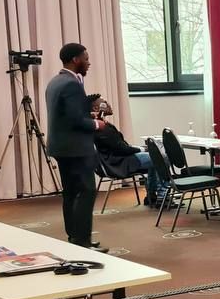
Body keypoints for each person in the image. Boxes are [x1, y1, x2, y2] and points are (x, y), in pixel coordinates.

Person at [45, 43, 105, 251]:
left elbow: (66, 115)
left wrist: (86, 116)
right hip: (76, 148)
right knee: (86, 191)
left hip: (62, 147)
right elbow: (74, 121)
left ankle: (74, 237)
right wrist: (97, 123)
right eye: (86, 59)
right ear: (75, 60)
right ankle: (83, 241)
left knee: (70, 192)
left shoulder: (56, 81)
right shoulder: (71, 84)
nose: (89, 63)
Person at [88, 94, 162, 205]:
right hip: (119, 162)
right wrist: (140, 149)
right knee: (159, 158)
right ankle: (162, 196)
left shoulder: (98, 125)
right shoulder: (102, 128)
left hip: (118, 159)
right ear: (96, 108)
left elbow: (119, 146)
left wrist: (139, 149)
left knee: (153, 158)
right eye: (104, 103)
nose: (108, 104)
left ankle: (152, 196)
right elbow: (121, 149)